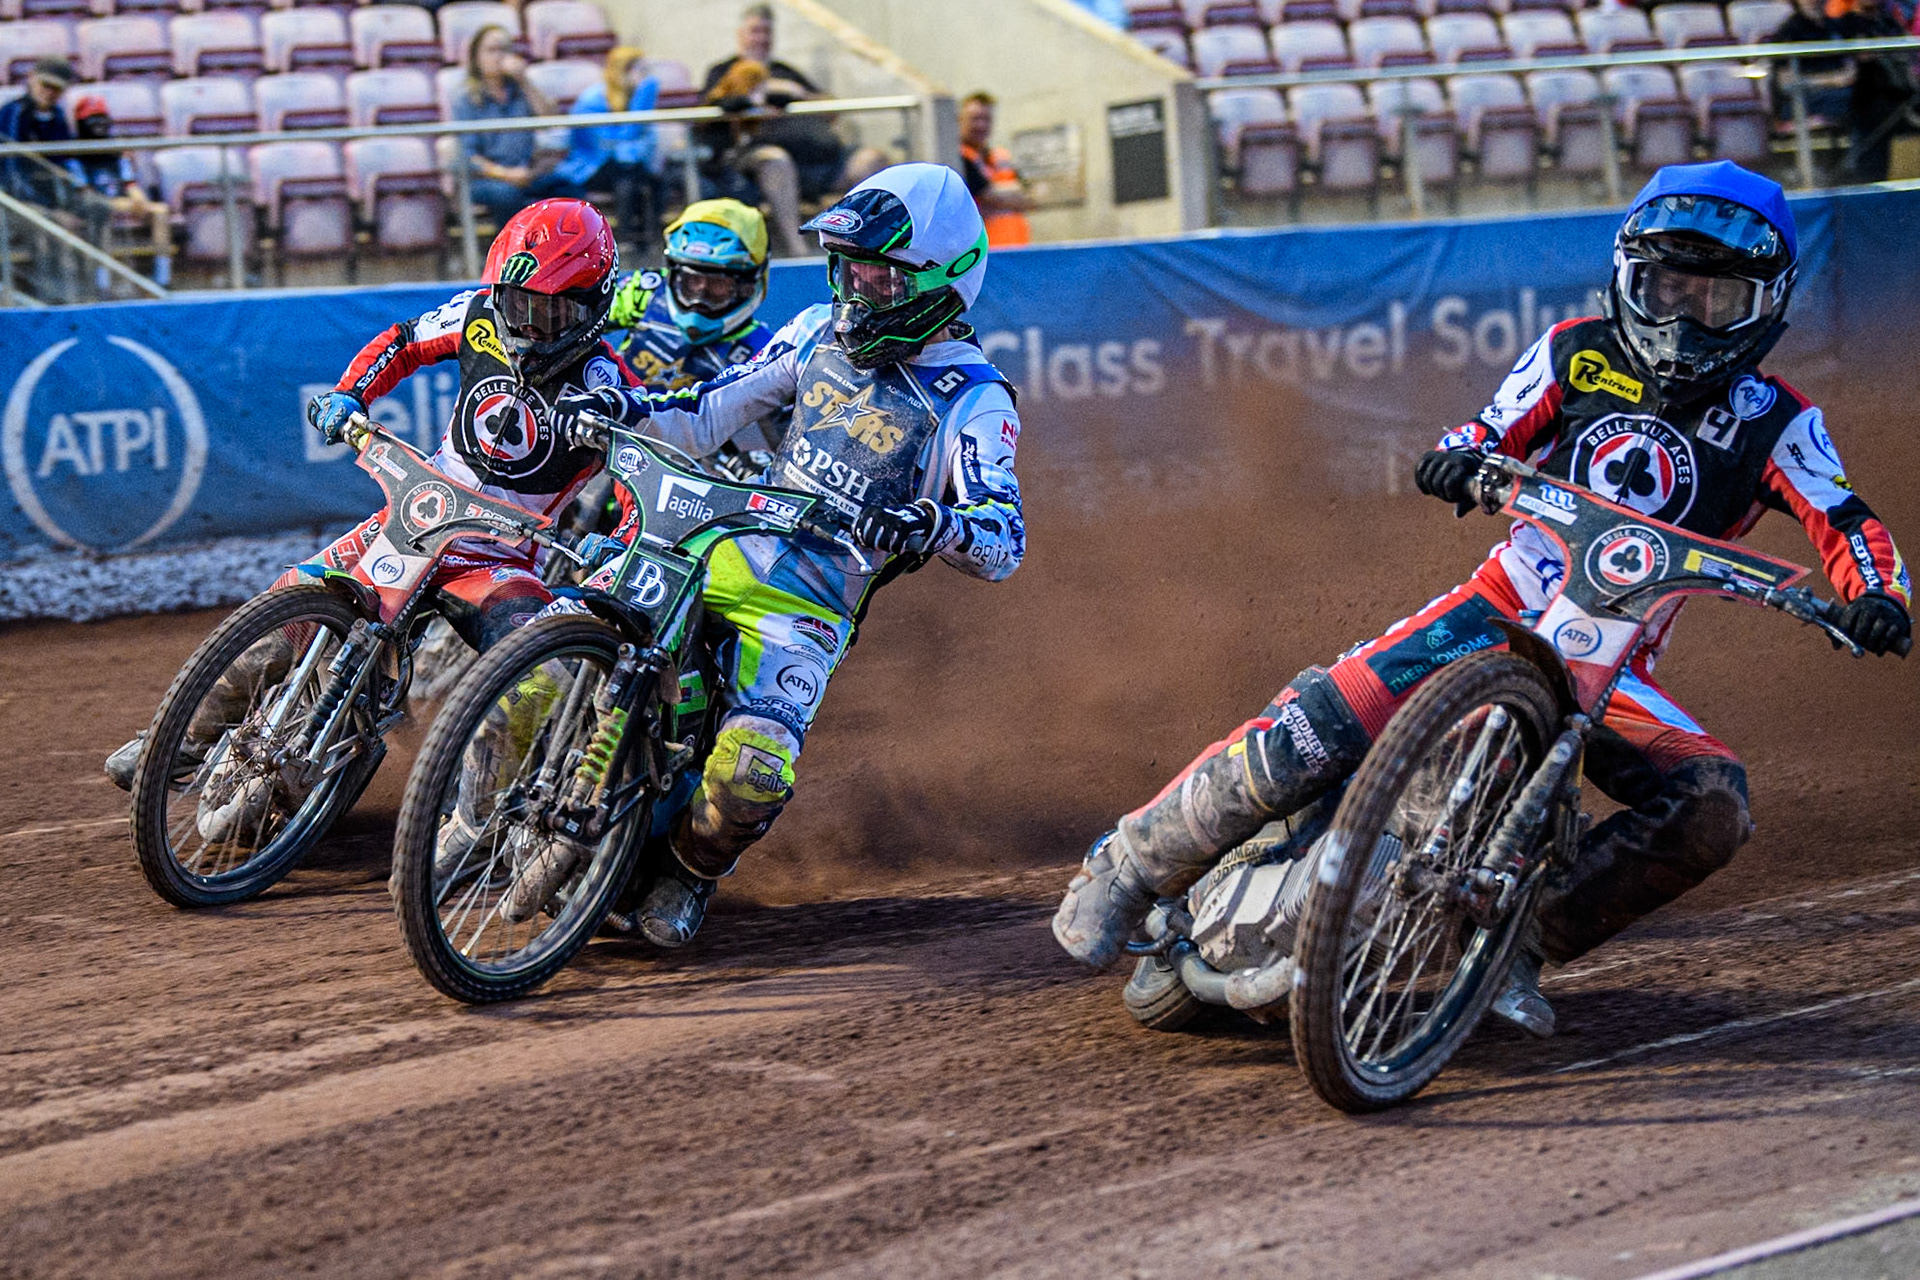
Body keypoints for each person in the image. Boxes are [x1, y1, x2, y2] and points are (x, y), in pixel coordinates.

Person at [1051, 161, 1911, 1038]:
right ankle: (1128, 864)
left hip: (1613, 663)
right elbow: (1490, 427)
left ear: (1766, 305)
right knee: (1321, 722)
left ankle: (1515, 946)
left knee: (1712, 802)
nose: (1686, 318)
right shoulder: (1577, 351)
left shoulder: (1779, 420)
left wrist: (1879, 594)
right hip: (1498, 607)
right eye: (1667, 289)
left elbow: (1844, 518)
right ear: (1630, 279)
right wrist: (1458, 455)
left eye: (1716, 299)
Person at [550, 162, 1025, 949]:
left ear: (941, 282)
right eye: (847, 272)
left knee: (752, 774)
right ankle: (466, 814)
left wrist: (928, 522)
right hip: (716, 541)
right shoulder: (813, 332)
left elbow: (1002, 540)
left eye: (878, 278)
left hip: (806, 606)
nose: (855, 295)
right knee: (548, 646)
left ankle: (686, 872)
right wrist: (621, 408)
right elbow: (706, 412)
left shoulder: (975, 399)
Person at [106, 199, 632, 790]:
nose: (528, 324)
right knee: (289, 603)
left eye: (550, 311)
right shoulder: (478, 316)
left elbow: (643, 482)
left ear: (594, 304)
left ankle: (465, 824)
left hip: (498, 561)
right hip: (417, 517)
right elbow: (403, 342)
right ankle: (178, 745)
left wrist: (621, 545)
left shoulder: (612, 388)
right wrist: (350, 393)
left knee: (540, 682)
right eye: (517, 303)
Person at [696, 3, 885, 258]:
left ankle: (865, 246)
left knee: (871, 160)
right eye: (755, 31)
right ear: (740, 34)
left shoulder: (785, 72)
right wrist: (751, 100)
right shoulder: (723, 71)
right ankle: (799, 252)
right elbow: (708, 111)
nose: (761, 38)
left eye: (766, 32)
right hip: (757, 158)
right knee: (777, 162)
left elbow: (830, 109)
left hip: (818, 158)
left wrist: (796, 92)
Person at [606, 196, 781, 466]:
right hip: (611, 432)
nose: (700, 296)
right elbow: (579, 320)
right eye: (691, 281)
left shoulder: (764, 350)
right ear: (674, 273)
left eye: (717, 285)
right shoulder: (644, 292)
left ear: (748, 284)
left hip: (692, 464)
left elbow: (786, 442)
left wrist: (753, 461)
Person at [452, 25, 583, 227]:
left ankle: (569, 244)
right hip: (485, 178)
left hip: (526, 172)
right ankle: (514, 246)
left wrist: (524, 80)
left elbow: (550, 119)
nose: (499, 56)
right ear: (476, 57)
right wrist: (506, 174)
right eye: (492, 50)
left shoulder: (521, 90)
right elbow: (469, 157)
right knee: (507, 195)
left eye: (504, 50)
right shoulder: (466, 99)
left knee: (567, 187)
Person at [555, 46, 661, 251]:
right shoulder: (592, 100)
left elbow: (647, 142)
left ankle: (652, 242)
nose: (645, 77)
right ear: (622, 71)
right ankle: (624, 241)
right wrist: (645, 95)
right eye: (640, 71)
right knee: (626, 177)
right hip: (590, 167)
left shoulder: (633, 97)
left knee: (655, 178)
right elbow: (614, 140)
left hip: (627, 165)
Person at [68, 96, 172, 289]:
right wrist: (115, 203)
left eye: (101, 119)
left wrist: (139, 200)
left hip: (122, 201)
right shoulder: (74, 152)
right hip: (93, 206)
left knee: (160, 211)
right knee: (102, 214)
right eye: (92, 120)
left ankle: (163, 278)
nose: (98, 125)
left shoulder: (116, 149)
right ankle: (102, 283)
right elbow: (84, 192)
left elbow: (130, 184)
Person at [957, 92, 1032, 249]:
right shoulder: (959, 159)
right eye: (975, 119)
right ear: (960, 120)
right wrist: (1008, 194)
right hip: (982, 253)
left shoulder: (1001, 156)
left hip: (1017, 248)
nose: (981, 125)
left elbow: (1030, 197)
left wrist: (995, 197)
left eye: (987, 119)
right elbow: (988, 194)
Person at [0, 58, 77, 208]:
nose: (50, 92)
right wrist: (48, 209)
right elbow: (11, 170)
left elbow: (64, 164)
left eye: (57, 88)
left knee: (97, 207)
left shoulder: (59, 116)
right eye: (46, 85)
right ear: (32, 77)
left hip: (55, 196)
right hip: (21, 201)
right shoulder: (13, 113)